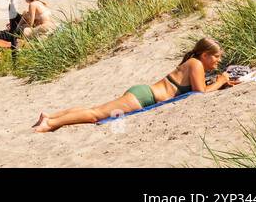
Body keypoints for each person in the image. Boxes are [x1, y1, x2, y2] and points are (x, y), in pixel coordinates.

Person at [33, 37, 238, 132]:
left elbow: (197, 88)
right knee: (96, 115)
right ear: (204, 55)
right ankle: (50, 124)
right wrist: (220, 81)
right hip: (144, 97)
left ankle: (50, 116)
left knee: (95, 109)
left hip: (143, 94)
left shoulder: (194, 64)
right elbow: (199, 93)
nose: (218, 62)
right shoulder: (195, 63)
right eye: (216, 58)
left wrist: (220, 82)